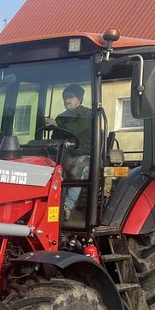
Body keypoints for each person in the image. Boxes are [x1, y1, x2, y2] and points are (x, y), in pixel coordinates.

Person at [55, 83, 93, 221]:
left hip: (84, 155)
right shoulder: (61, 117)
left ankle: (66, 207)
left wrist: (57, 124)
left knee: (78, 169)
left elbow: (76, 128)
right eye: (65, 97)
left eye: (70, 97)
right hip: (64, 155)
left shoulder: (88, 115)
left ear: (79, 99)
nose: (66, 100)